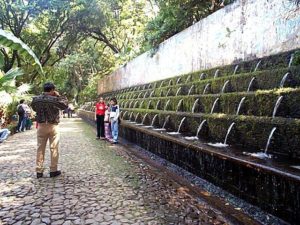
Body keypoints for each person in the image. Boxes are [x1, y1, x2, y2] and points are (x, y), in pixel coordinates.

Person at [31, 82, 68, 178]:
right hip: (53, 125)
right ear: (52, 90)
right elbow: (64, 106)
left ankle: (39, 171)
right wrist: (59, 96)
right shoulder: (54, 99)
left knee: (40, 148)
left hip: (41, 125)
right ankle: (53, 170)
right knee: (54, 148)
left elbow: (34, 109)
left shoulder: (36, 99)